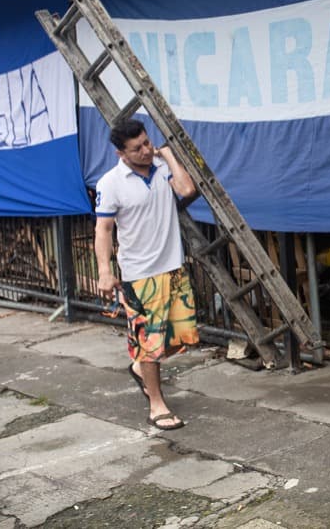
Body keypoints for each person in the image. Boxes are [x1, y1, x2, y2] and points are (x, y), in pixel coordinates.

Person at [94, 118, 200, 431]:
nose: (145, 150)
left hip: (172, 266)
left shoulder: (162, 167)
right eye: (136, 148)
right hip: (139, 274)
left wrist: (166, 155)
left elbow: (187, 189)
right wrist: (104, 270)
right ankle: (156, 404)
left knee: (177, 338)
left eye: (146, 142)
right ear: (120, 154)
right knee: (149, 344)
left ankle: (141, 367)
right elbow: (103, 229)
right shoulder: (111, 183)